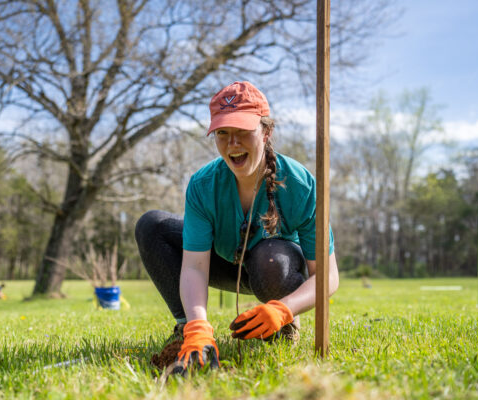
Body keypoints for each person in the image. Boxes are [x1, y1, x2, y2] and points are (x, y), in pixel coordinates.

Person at [135, 81, 339, 372]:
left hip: (275, 270)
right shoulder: (203, 185)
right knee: (152, 226)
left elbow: (328, 276)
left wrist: (285, 308)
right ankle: (188, 332)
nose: (233, 143)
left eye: (243, 131)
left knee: (271, 258)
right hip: (226, 262)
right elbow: (194, 266)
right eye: (222, 133)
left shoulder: (300, 185)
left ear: (266, 132)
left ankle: (282, 326)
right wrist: (197, 324)